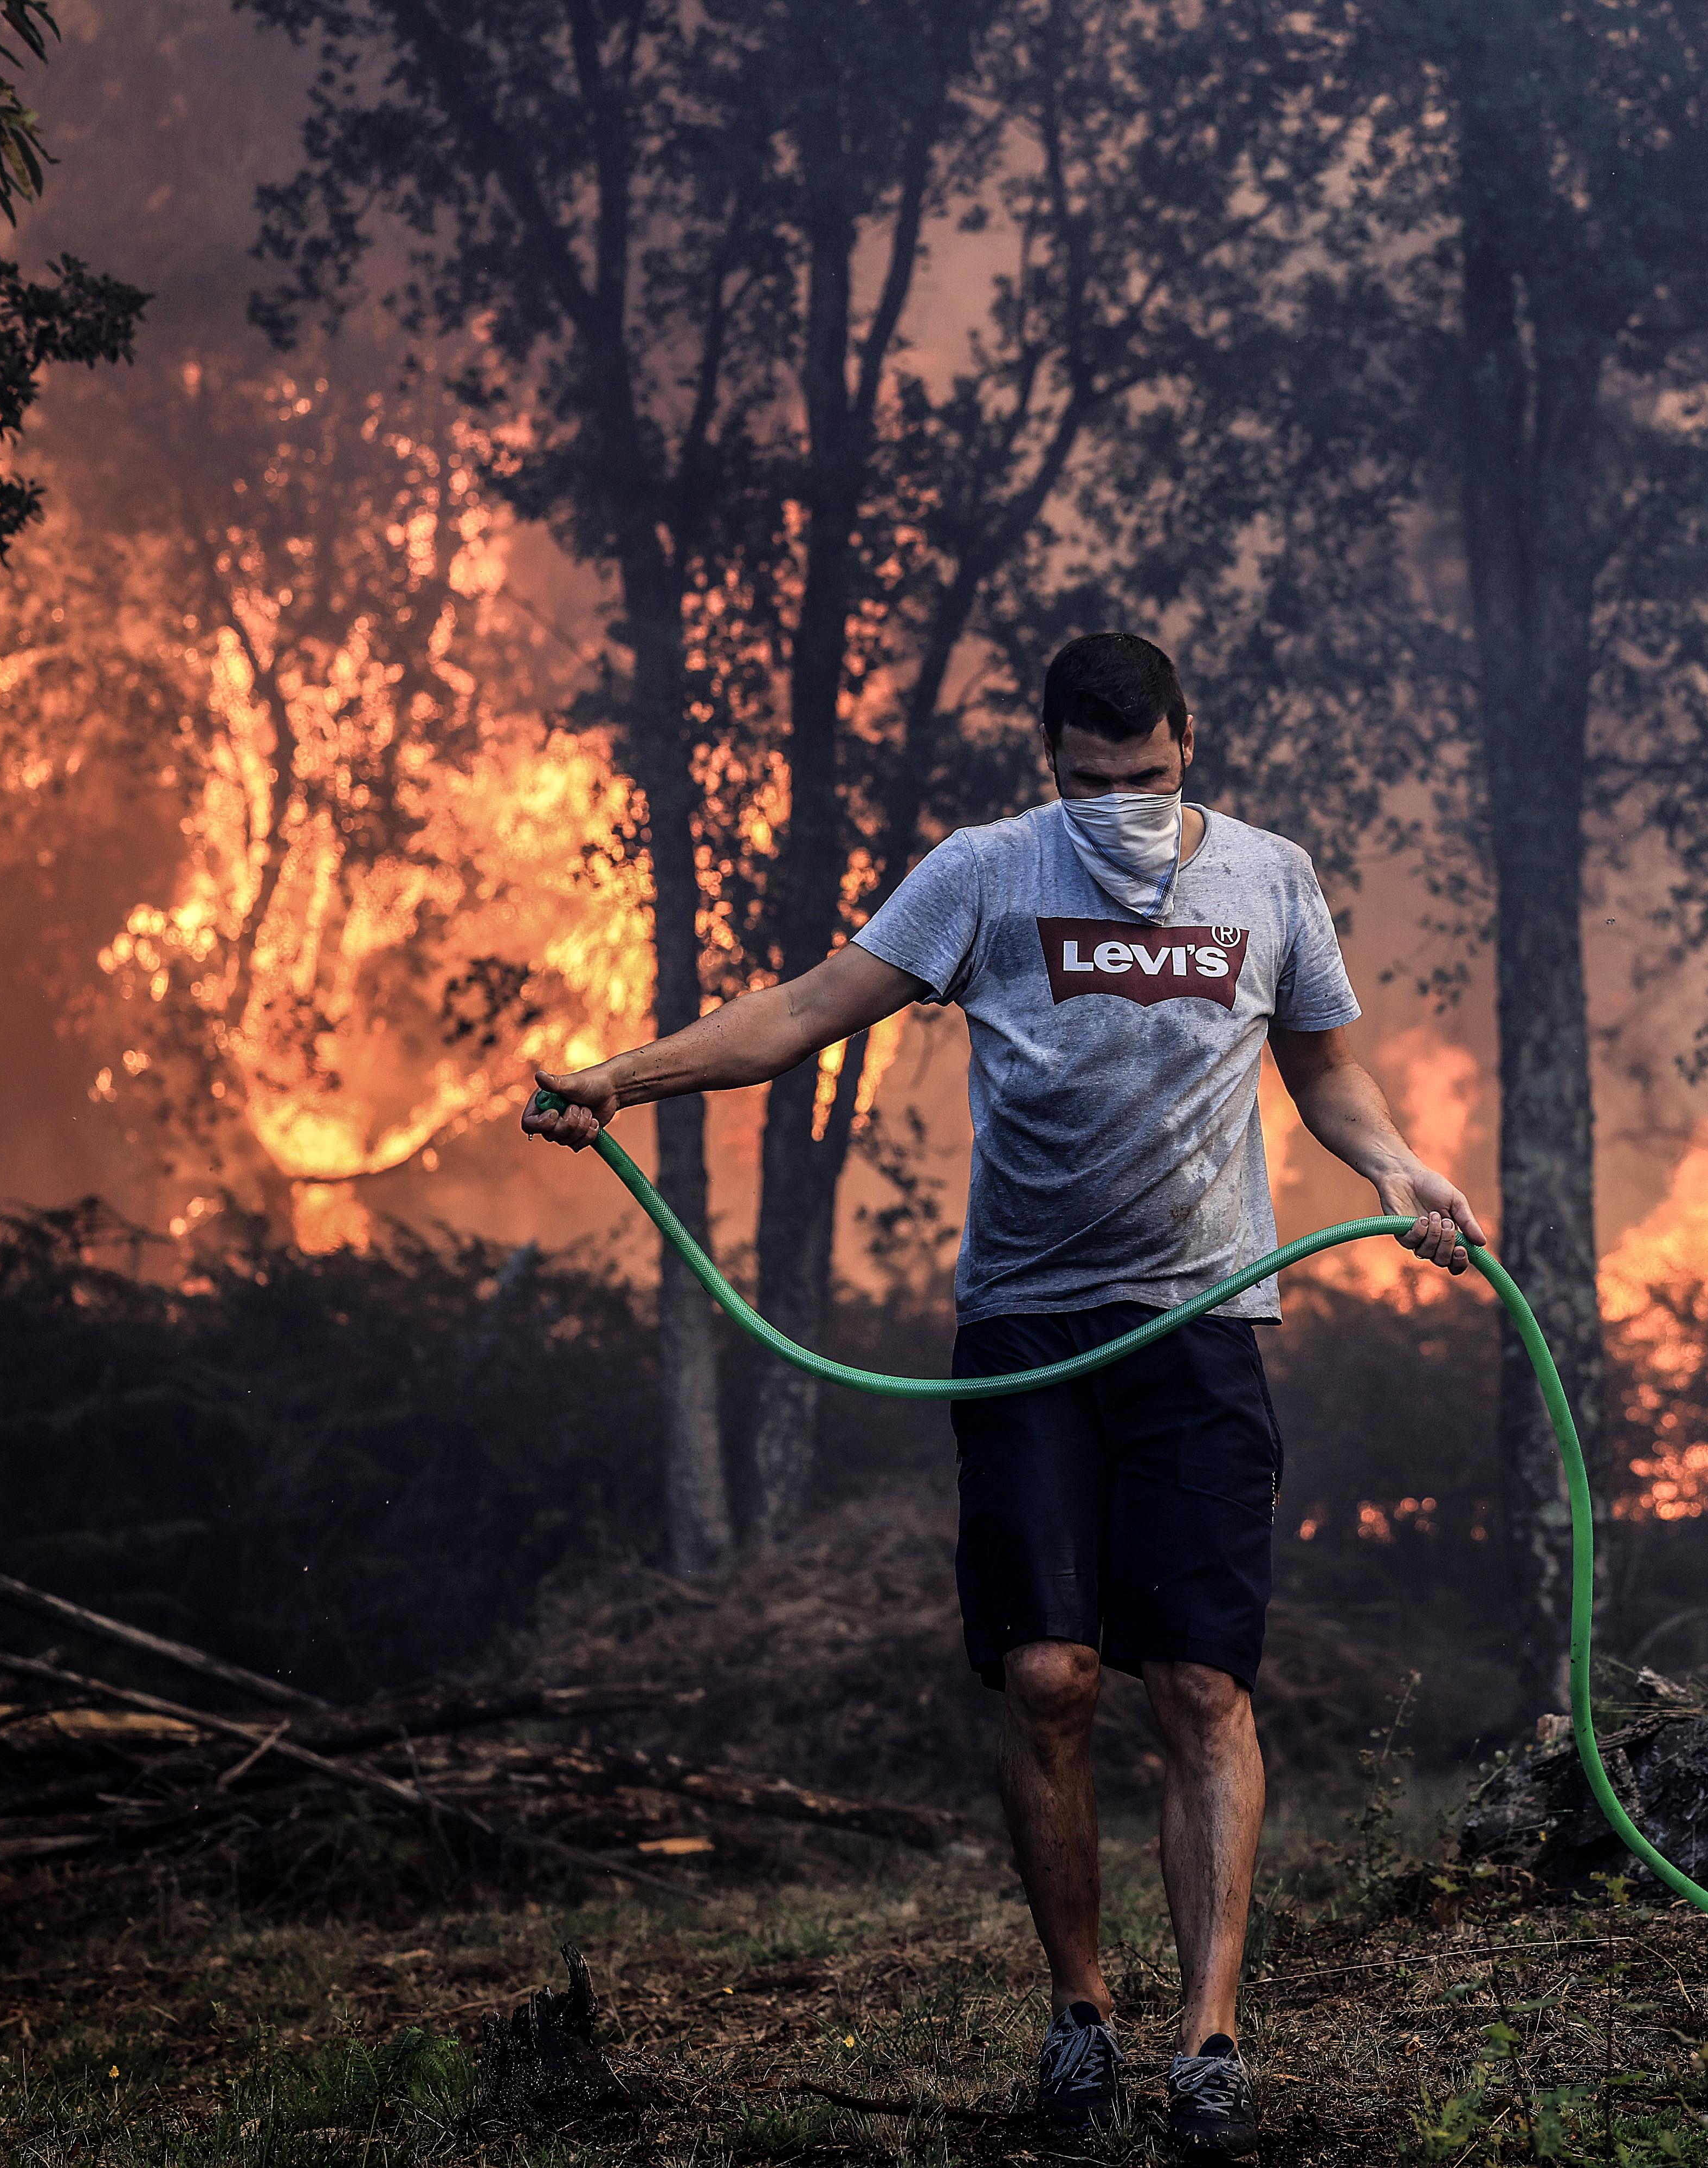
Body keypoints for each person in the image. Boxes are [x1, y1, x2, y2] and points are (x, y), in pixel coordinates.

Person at [521, 631, 1482, 2156]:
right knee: (1050, 1681)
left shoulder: (1269, 879)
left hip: (1204, 1323)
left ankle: (1211, 2045)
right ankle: (1082, 2019)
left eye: (1152, 779)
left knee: (1204, 1688)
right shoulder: (981, 873)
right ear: (1051, 761)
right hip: (1030, 1329)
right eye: (1095, 782)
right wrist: (617, 1081)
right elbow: (798, 1014)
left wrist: (1401, 1170)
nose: (1124, 805)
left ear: (1190, 746)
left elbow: (1330, 1073)